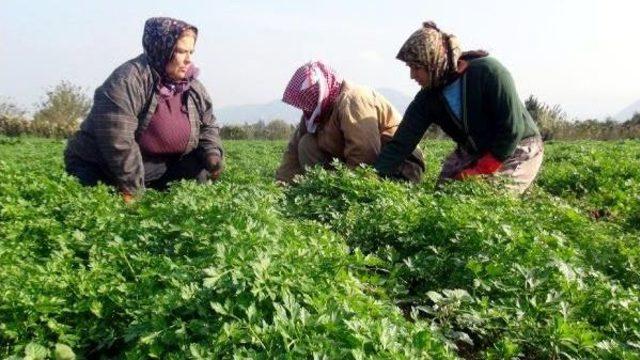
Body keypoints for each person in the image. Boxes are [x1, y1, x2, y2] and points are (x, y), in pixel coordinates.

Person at [64, 17, 223, 202]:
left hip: (156, 168)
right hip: (104, 167)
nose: (188, 60)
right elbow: (117, 140)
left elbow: (208, 124)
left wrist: (212, 154)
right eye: (180, 51)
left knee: (199, 167)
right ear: (162, 49)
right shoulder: (128, 81)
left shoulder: (192, 86)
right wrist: (132, 191)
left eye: (191, 52)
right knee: (99, 200)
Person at [374, 22, 543, 194]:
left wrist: (481, 170)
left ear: (434, 62)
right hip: (475, 150)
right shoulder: (427, 98)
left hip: (517, 147)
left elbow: (512, 130)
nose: (412, 76)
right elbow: (402, 143)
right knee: (443, 196)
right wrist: (371, 175)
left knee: (486, 197)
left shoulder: (488, 72)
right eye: (410, 68)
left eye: (416, 68)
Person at [275, 61, 425, 183]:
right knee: (306, 143)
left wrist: (351, 189)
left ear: (321, 91)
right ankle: (321, 190)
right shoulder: (316, 111)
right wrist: (281, 183)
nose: (307, 105)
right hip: (364, 166)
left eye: (310, 98)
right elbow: (293, 152)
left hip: (399, 165)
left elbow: (364, 152)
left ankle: (340, 196)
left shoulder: (353, 99)